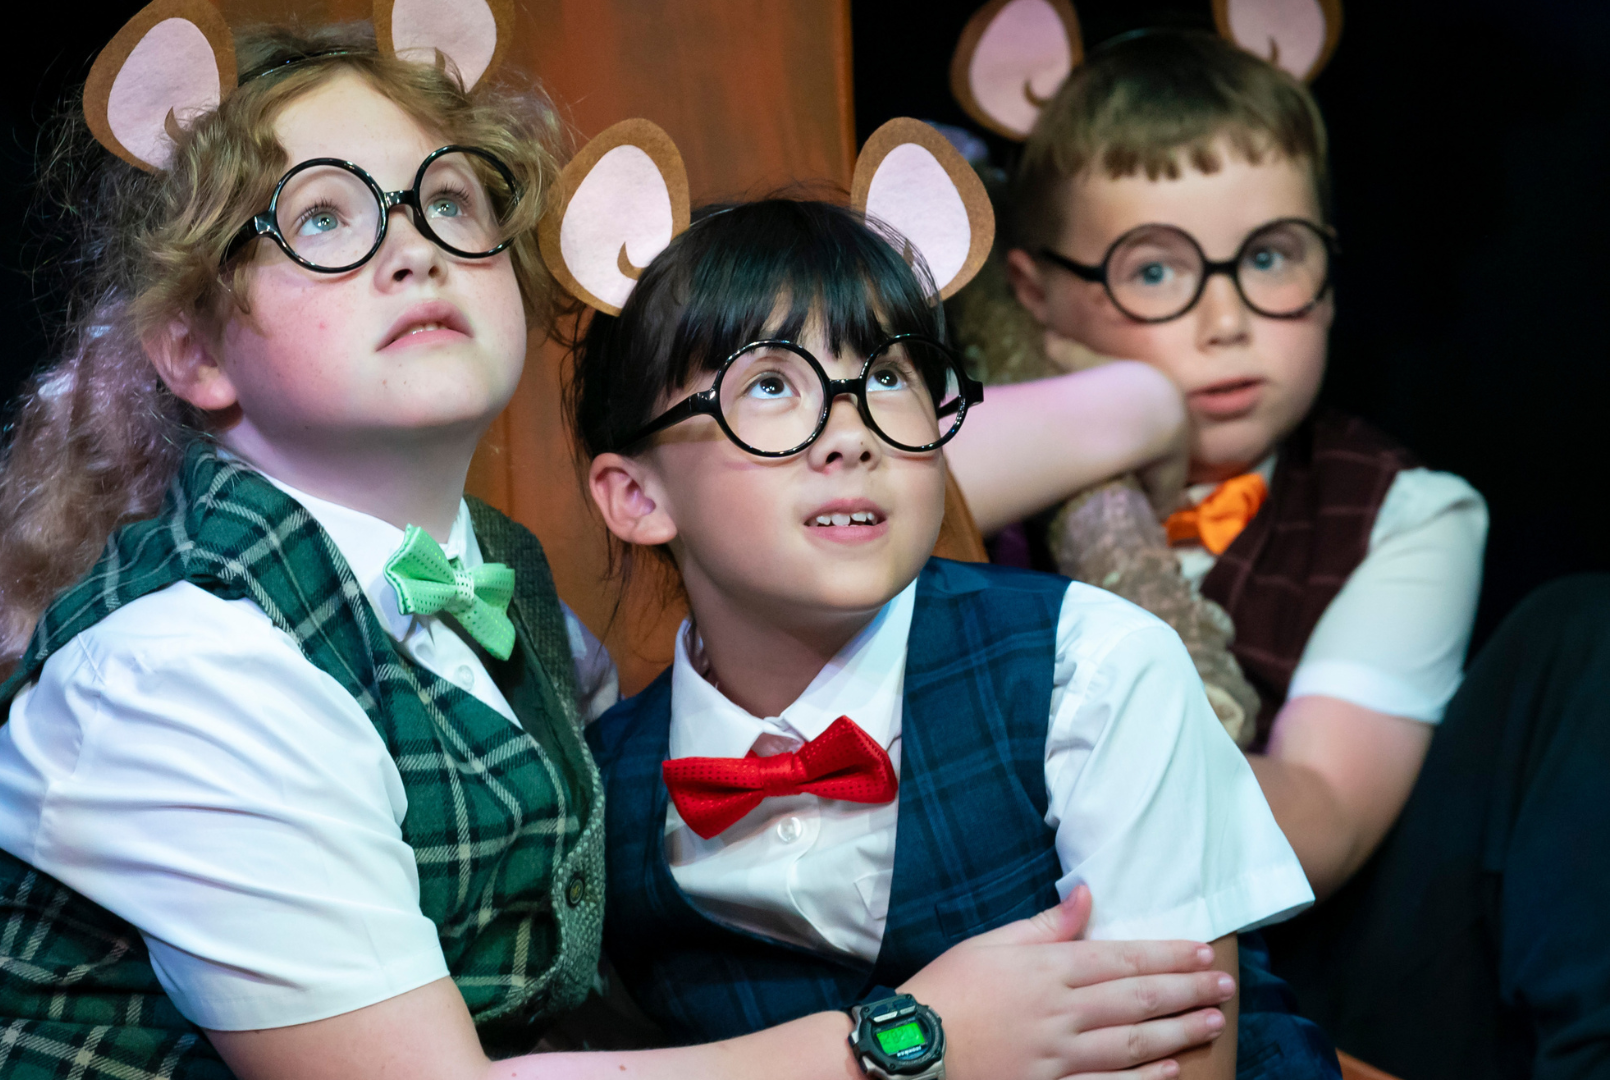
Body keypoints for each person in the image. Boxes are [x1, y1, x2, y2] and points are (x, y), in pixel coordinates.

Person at [0, 5, 1242, 1079]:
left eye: (450, 200)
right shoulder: (186, 666)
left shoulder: (510, 608)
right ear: (193, 349)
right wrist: (913, 1040)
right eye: (322, 217)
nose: (414, 245)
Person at [547, 113, 1337, 1080]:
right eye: (768, 388)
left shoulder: (1090, 670)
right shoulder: (601, 791)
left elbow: (1180, 1056)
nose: (851, 434)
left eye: (885, 376)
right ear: (636, 497)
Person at [970, 22, 1610, 1079]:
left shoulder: (1400, 509)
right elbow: (878, 483)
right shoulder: (984, 478)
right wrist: (1121, 410)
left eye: (1269, 257)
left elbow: (1316, 825)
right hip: (1018, 959)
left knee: (1579, 634)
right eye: (1156, 271)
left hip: (1321, 973)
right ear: (1037, 296)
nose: (1226, 320)